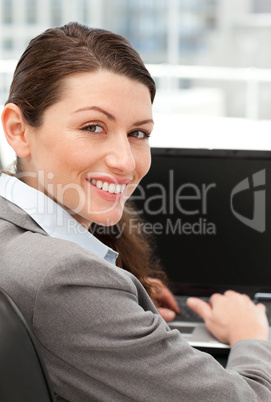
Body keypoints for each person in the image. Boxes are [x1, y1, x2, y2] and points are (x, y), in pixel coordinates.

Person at [0, 22, 270, 401]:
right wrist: (252, 335)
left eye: (138, 133)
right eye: (93, 126)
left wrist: (122, 306)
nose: (125, 163)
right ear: (18, 129)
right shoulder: (63, 278)